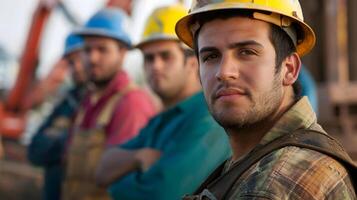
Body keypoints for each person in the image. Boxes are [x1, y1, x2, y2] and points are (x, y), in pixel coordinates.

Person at [175, 0, 356, 199]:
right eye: (211, 56)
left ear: (289, 69)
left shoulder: (273, 187)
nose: (224, 72)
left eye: (246, 52)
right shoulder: (252, 161)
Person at [95, 4, 231, 200]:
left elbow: (162, 194)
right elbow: (101, 172)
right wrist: (138, 156)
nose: (156, 66)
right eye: (149, 58)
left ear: (192, 63)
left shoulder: (209, 116)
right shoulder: (159, 121)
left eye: (165, 56)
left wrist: (119, 184)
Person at [61, 8, 157, 200]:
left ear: (122, 53)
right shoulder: (89, 100)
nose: (93, 58)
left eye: (102, 49)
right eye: (88, 50)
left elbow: (124, 184)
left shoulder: (131, 103)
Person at [27, 33, 87, 200]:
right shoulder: (68, 100)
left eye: (79, 59)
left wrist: (57, 138)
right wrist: (68, 141)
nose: (76, 67)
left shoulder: (104, 103)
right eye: (70, 62)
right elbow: (34, 150)